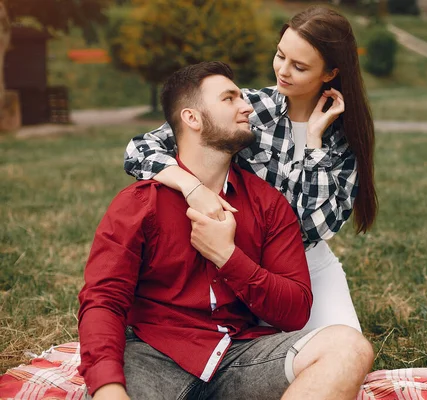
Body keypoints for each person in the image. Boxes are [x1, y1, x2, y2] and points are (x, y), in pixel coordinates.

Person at [78, 62, 374, 400]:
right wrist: (107, 388)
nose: (247, 106)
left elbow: (295, 311)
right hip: (151, 356)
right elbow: (102, 300)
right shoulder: (140, 203)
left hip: (238, 358)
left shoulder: (268, 204)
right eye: (230, 98)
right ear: (192, 118)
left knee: (349, 347)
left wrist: (228, 257)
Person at [123, 6, 377, 332]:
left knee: (343, 354)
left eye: (299, 66)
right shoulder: (250, 109)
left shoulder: (343, 137)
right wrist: (193, 188)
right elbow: (140, 150)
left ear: (329, 74)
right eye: (280, 55)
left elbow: (311, 227)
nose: (283, 70)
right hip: (235, 260)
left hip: (305, 266)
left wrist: (314, 141)